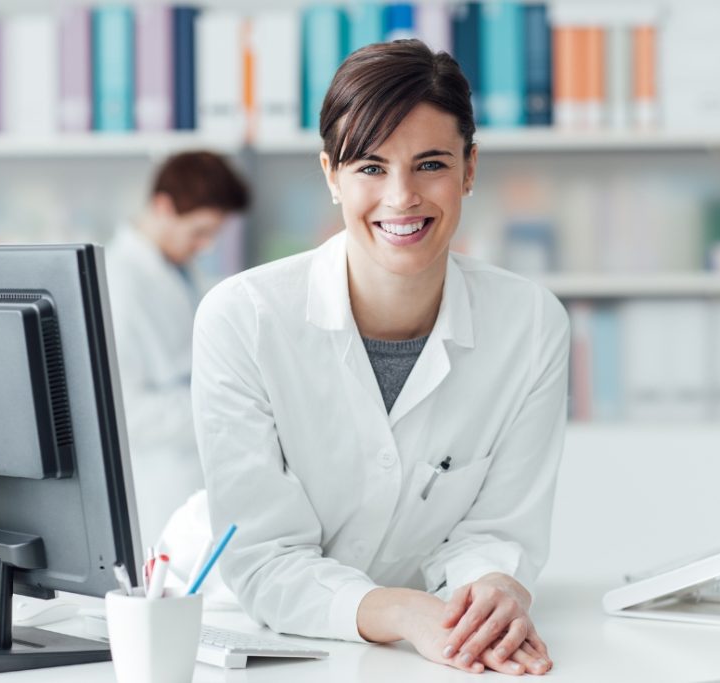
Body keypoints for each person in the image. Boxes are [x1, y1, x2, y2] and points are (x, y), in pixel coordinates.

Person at [191, 41, 567, 676]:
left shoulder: (530, 324)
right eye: (369, 167)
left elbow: (497, 531)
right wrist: (404, 614)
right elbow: (264, 558)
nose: (401, 198)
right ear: (331, 175)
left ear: (470, 169)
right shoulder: (243, 318)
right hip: (251, 636)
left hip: (425, 647)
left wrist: (494, 595)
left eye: (430, 164)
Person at [105, 150, 249, 546]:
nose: (205, 246)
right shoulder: (119, 283)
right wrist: (222, 409)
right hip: (160, 481)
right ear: (163, 206)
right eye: (199, 231)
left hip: (196, 472)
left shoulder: (177, 270)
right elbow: (123, 410)